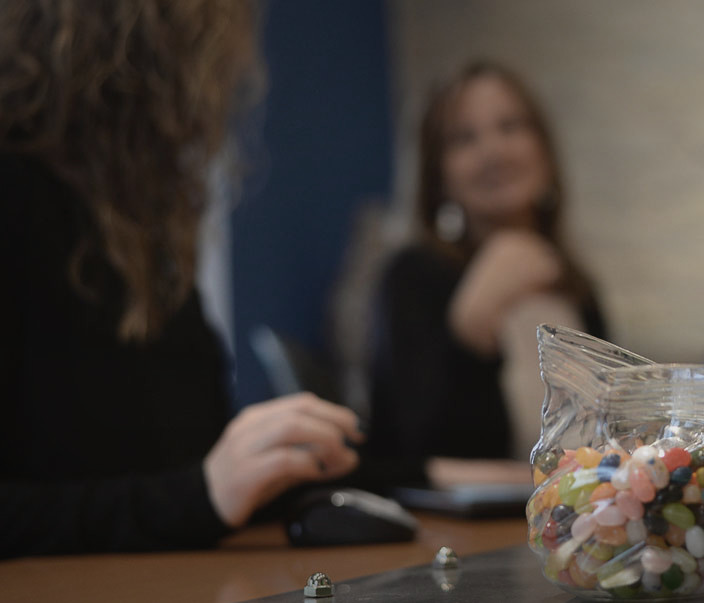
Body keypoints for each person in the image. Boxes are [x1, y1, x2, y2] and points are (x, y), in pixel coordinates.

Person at [0, 0, 364, 556]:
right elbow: (194, 490)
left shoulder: (135, 234)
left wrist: (424, 475)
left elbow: (195, 465)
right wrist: (200, 494)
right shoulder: (19, 197)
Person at [367, 61, 605, 485]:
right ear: (437, 174)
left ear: (545, 151)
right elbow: (409, 454)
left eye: (511, 127)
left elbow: (611, 434)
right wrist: (473, 326)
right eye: (464, 138)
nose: (492, 152)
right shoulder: (413, 277)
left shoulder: (577, 286)